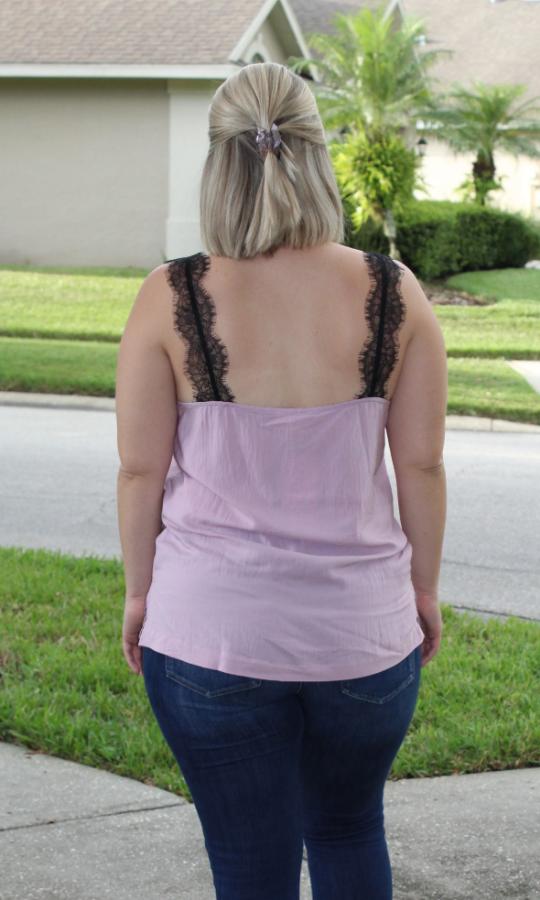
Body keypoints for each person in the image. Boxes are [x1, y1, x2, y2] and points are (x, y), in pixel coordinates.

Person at [115, 61, 447, 900]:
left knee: (249, 863)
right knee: (347, 830)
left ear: (218, 163)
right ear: (317, 154)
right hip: (364, 635)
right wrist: (425, 589)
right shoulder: (395, 294)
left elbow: (139, 468)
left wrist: (138, 593)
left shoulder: (170, 296)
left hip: (209, 638)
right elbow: (420, 464)